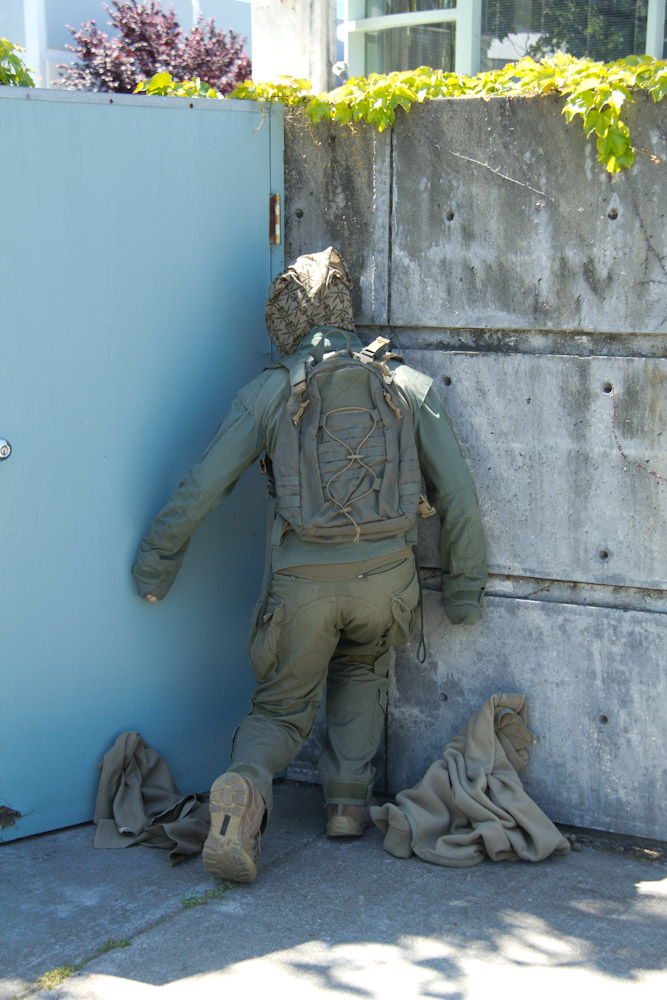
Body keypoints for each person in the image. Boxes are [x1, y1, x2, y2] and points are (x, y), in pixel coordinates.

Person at [132, 247, 487, 884]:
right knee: (363, 666)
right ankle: (347, 806)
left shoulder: (269, 391)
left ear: (286, 317)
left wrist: (156, 563)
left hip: (302, 586)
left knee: (280, 708)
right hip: (388, 582)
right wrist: (463, 591)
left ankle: (245, 788)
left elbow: (204, 486)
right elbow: (458, 496)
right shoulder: (407, 385)